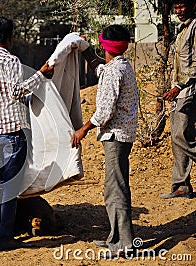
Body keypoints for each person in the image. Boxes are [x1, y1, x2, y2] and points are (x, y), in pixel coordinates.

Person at [0, 16, 54, 251]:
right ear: (10, 39)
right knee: (10, 187)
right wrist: (41, 73)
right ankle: (5, 236)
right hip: (13, 133)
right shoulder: (12, 61)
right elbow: (17, 91)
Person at [71, 25, 138, 258]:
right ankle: (116, 238)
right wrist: (84, 49)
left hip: (115, 136)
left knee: (115, 190)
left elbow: (104, 111)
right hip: (123, 135)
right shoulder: (122, 66)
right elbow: (100, 69)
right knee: (115, 187)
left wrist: (83, 130)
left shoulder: (113, 72)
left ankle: (124, 245)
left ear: (104, 45)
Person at [160, 0, 196, 199]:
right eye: (177, 7)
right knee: (177, 136)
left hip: (189, 91)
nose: (179, 11)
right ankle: (181, 186)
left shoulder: (195, 27)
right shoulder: (182, 28)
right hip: (180, 91)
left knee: (181, 136)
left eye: (183, 6)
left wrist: (179, 86)